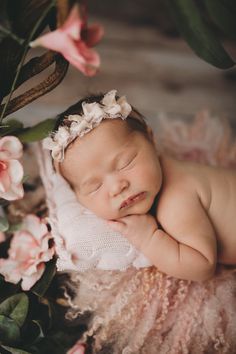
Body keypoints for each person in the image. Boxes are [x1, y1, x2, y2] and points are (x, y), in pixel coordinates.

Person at [43, 89, 236, 282]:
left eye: (125, 163)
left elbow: (201, 267)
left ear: (151, 139)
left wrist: (148, 238)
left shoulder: (176, 200)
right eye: (95, 187)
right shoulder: (160, 175)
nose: (117, 187)